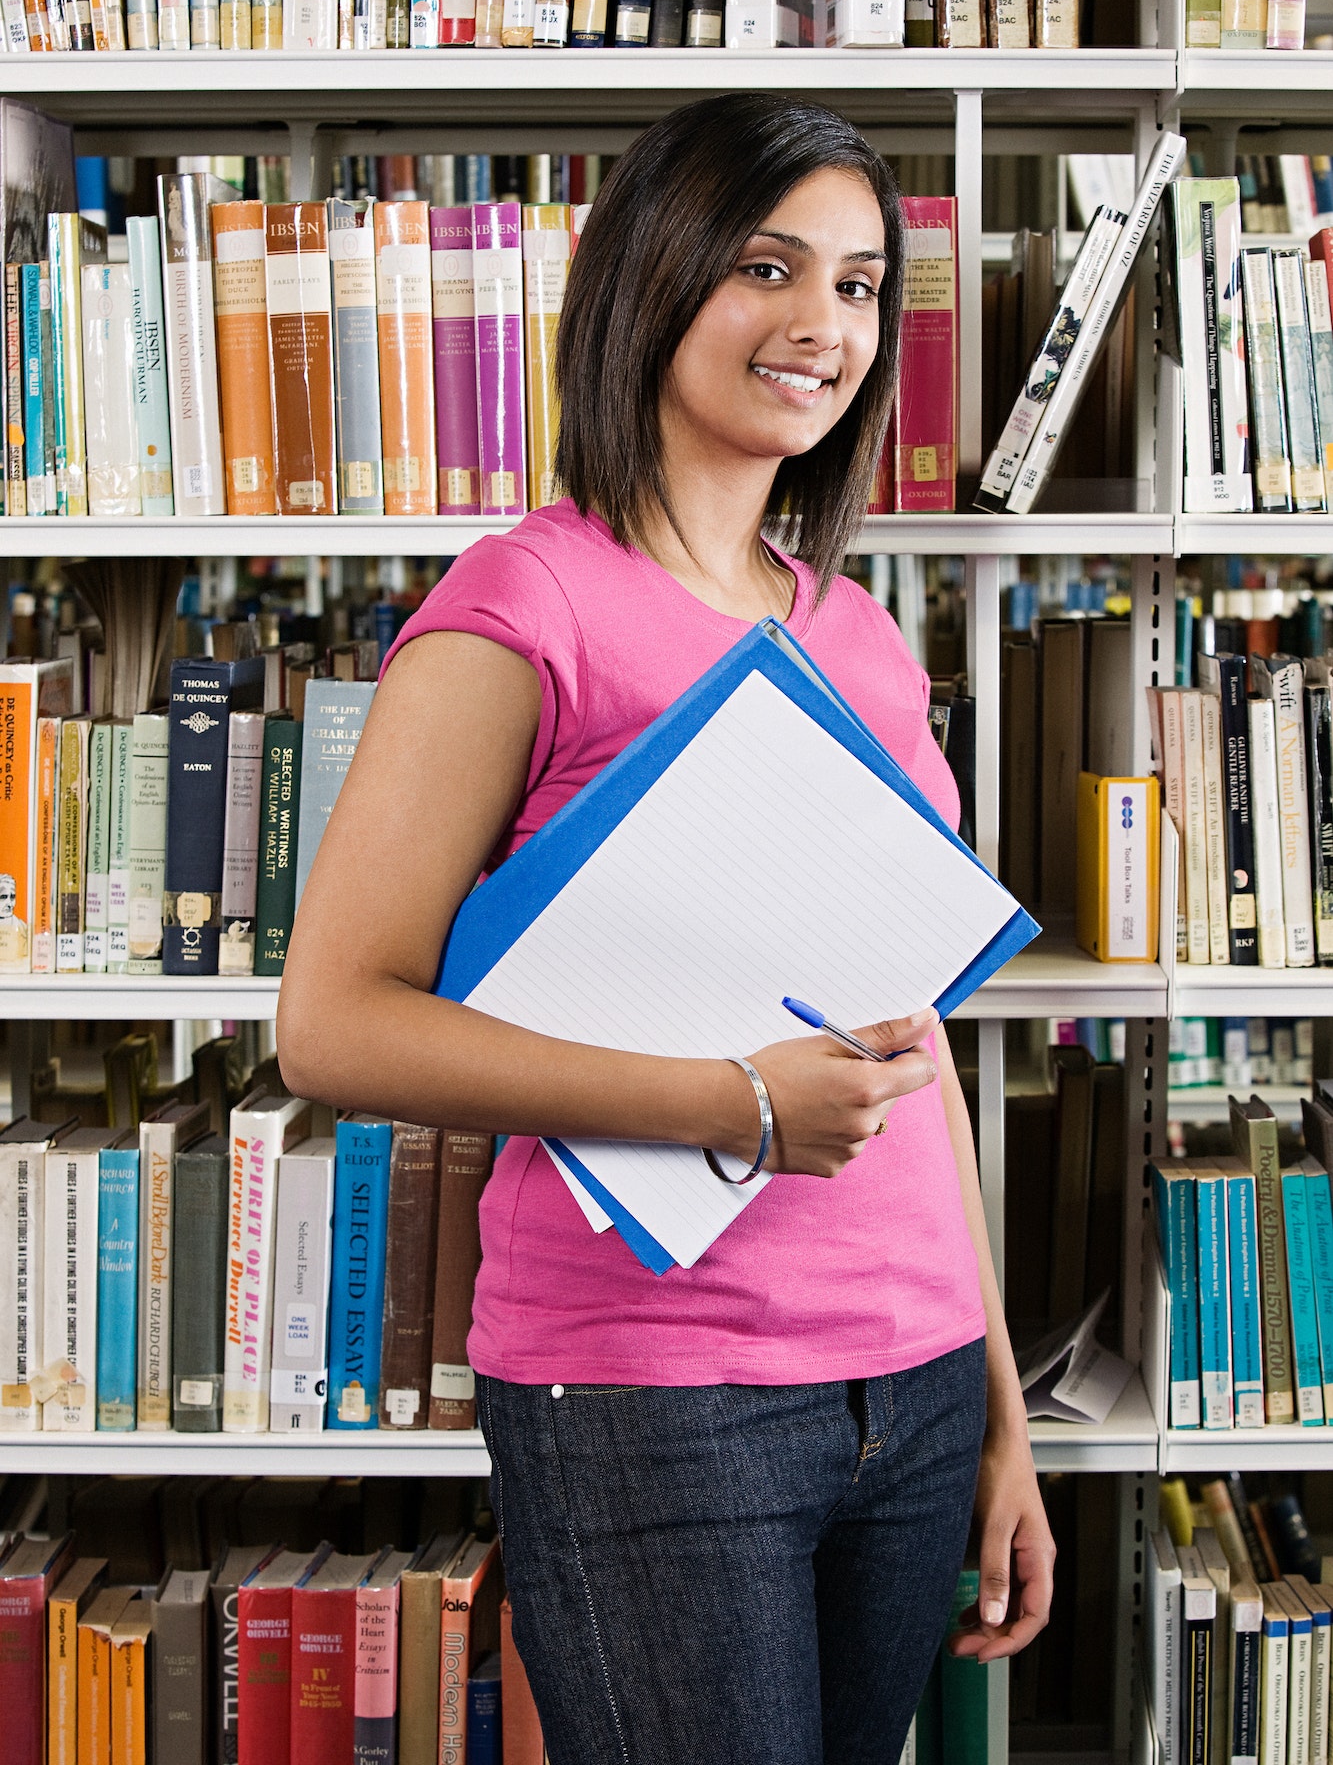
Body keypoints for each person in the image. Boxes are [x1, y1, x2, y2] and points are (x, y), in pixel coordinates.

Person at [278, 92, 1055, 1765]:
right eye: (767, 266)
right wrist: (736, 1106)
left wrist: (997, 1415)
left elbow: (910, 1053)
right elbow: (333, 1021)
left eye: (858, 286)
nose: (820, 325)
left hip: (912, 1390)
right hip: (653, 1396)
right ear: (654, 274)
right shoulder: (523, 602)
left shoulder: (851, 632)